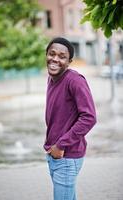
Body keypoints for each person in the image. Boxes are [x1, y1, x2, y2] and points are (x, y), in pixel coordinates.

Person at [44, 37, 96, 200]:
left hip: (67, 155)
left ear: (69, 61)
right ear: (46, 55)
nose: (55, 59)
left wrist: (61, 144)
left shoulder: (75, 81)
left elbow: (89, 117)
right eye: (52, 54)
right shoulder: (52, 79)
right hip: (55, 153)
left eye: (62, 56)